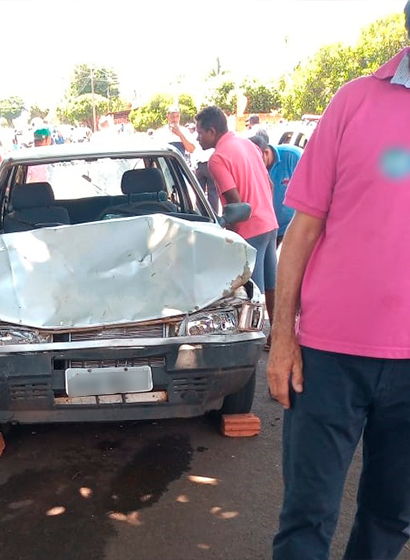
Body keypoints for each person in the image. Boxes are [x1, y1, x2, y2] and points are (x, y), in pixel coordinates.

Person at [268, 5, 410, 557]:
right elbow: (300, 232)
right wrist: (282, 341)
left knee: (391, 517)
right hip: (328, 357)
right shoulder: (354, 101)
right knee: (307, 516)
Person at [195, 106, 278, 338]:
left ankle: (253, 339)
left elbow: (234, 202)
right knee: (271, 284)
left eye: (200, 133)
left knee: (253, 292)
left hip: (249, 227)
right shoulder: (248, 145)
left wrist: (227, 234)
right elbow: (269, 186)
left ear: (212, 131)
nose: (197, 138)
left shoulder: (217, 158)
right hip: (269, 221)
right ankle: (276, 335)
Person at [248, 135, 302, 247]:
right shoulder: (252, 168)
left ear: (266, 152)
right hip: (270, 228)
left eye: (257, 161)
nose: (254, 165)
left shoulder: (293, 156)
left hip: (295, 227)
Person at [187, 122, 219, 213]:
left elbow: (193, 151)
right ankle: (213, 215)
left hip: (201, 164)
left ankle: (201, 214)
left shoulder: (197, 137)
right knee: (212, 193)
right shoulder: (209, 137)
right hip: (206, 164)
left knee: (199, 193)